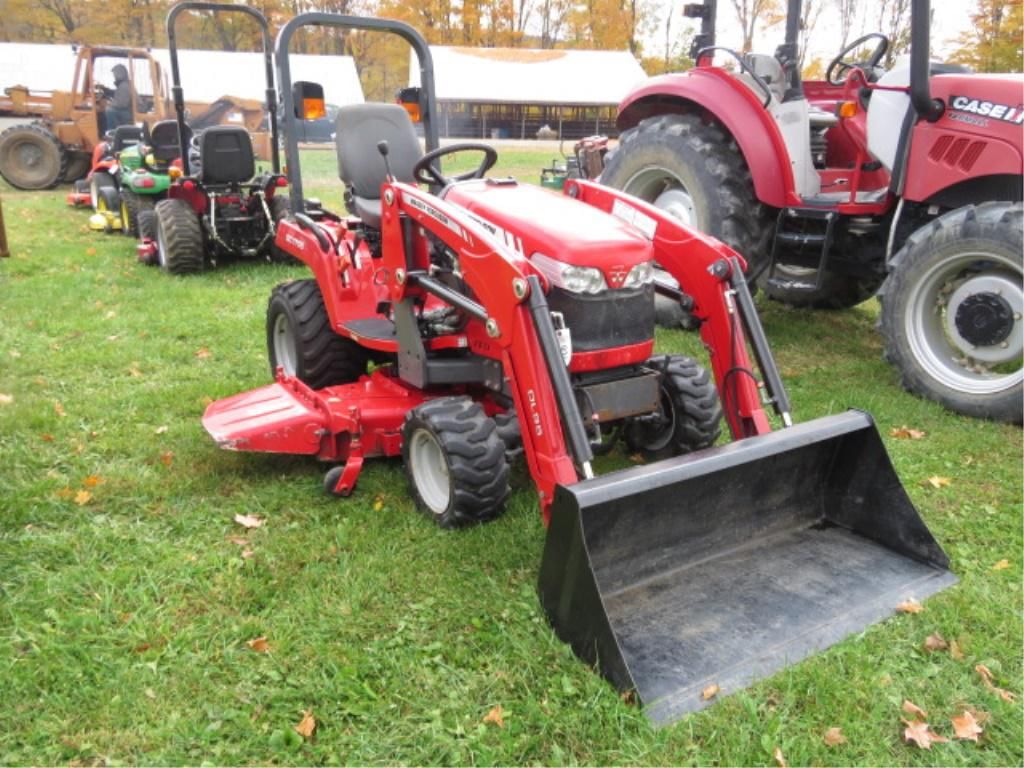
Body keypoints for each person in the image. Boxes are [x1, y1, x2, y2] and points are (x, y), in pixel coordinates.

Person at [103, 64, 133, 132]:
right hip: (128, 110)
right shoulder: (124, 84)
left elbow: (122, 104)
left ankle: (112, 133)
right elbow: (118, 94)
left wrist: (109, 104)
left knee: (109, 111)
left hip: (128, 112)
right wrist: (107, 91)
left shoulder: (124, 86)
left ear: (120, 74)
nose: (114, 76)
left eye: (115, 74)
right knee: (109, 108)